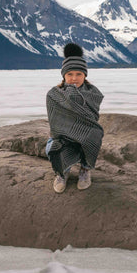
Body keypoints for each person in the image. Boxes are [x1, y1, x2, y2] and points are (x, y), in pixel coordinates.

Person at [46, 43, 104, 193]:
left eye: (79, 74)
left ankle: (85, 169)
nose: (74, 78)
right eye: (70, 74)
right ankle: (62, 172)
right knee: (54, 145)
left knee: (94, 135)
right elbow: (55, 122)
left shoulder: (94, 94)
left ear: (85, 75)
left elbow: (91, 120)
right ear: (64, 75)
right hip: (62, 135)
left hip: (84, 134)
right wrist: (70, 94)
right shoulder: (54, 94)